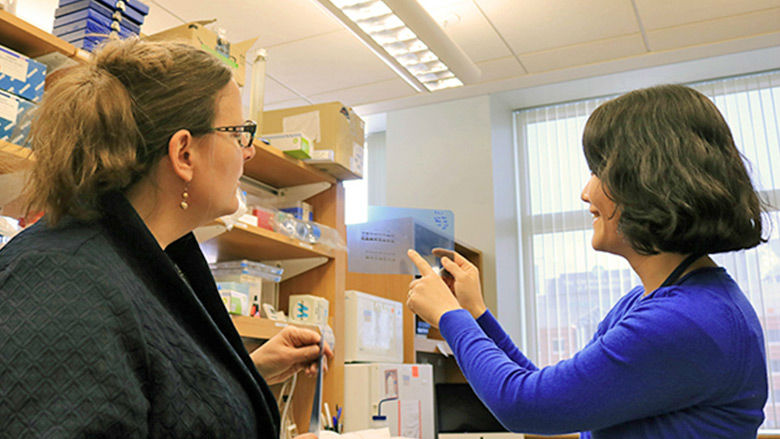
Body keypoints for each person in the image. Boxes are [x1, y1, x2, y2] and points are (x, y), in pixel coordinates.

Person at [0, 38, 332, 438]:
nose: (248, 154)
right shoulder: (58, 279)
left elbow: (148, 393)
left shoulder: (141, 259)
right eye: (238, 133)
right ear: (184, 154)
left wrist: (246, 372)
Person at [406, 84, 768, 438]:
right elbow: (553, 396)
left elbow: (527, 406)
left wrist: (447, 316)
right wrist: (475, 313)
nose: (585, 192)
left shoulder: (686, 321)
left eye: (598, 170)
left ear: (648, 180)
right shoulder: (654, 302)